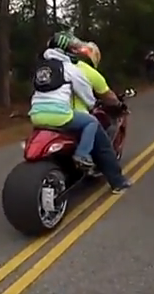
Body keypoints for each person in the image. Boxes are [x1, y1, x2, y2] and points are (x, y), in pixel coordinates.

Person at [29, 32, 100, 169]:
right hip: (59, 115)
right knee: (91, 122)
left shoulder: (41, 68)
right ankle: (82, 154)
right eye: (73, 48)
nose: (76, 51)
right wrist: (92, 104)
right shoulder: (70, 68)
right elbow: (86, 93)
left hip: (36, 115)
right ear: (65, 51)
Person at [75, 41, 132, 194]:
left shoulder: (63, 68)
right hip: (78, 115)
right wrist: (119, 104)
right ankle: (117, 182)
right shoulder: (88, 71)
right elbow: (108, 96)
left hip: (53, 115)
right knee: (104, 145)